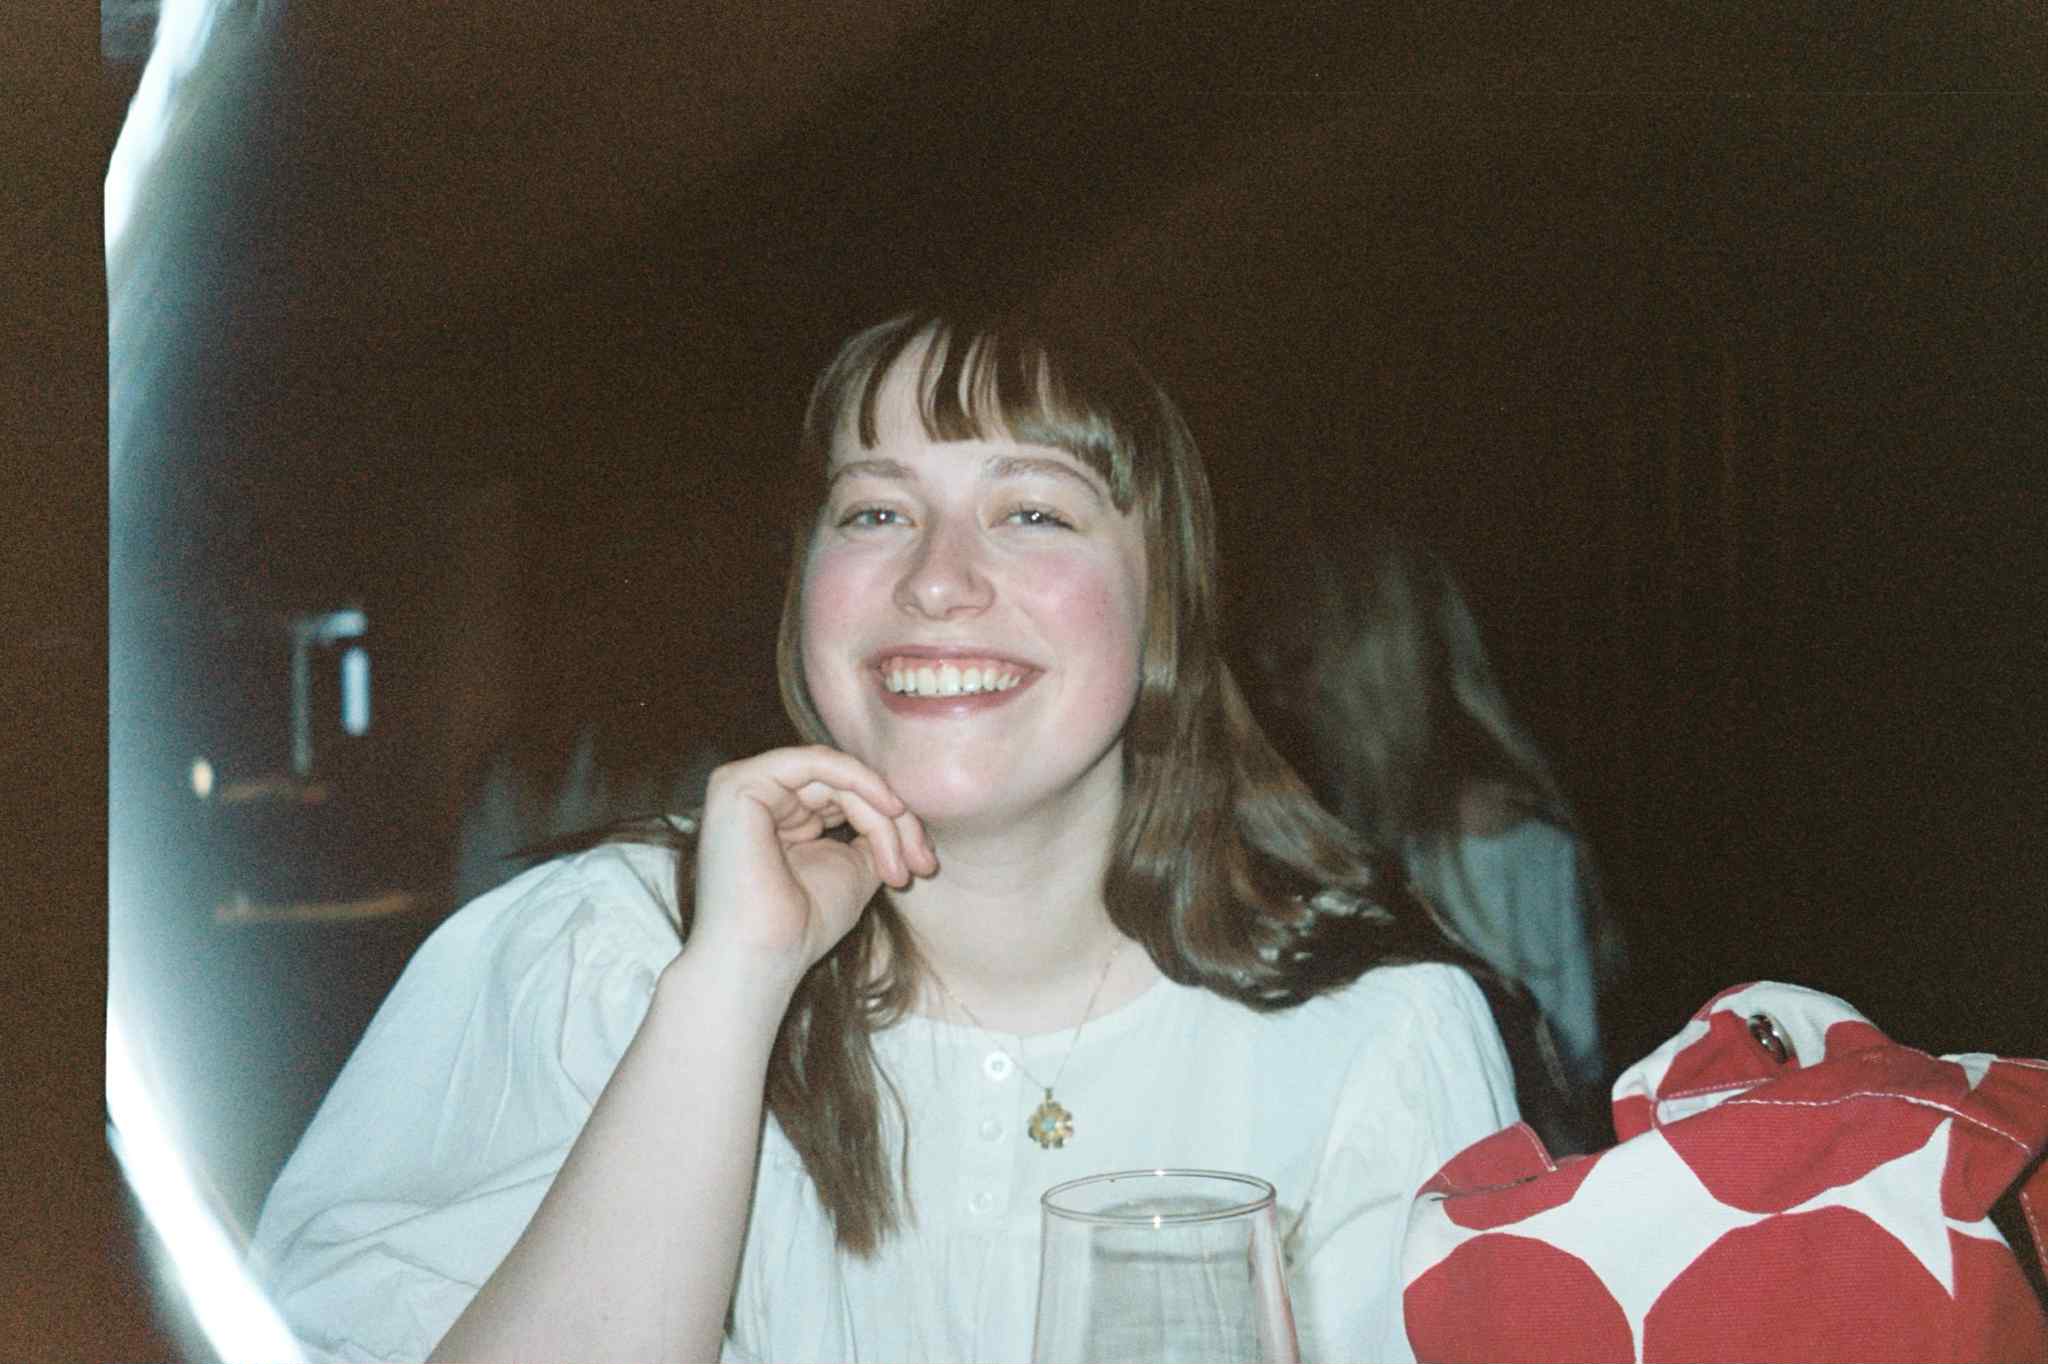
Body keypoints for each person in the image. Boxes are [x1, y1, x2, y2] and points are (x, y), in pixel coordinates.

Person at [249, 306, 1536, 1363]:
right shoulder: (603, 956)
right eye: (874, 511)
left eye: (1032, 511)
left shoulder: (1372, 1040)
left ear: (1163, 605)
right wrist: (728, 985)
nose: (934, 577)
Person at [1243, 525, 1623, 1107]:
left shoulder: (1481, 831)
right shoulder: (1362, 816)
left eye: (1299, 662)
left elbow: (1559, 1062)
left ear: (1367, 668)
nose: (1278, 694)